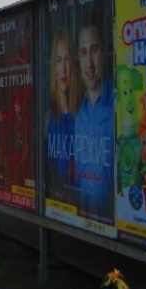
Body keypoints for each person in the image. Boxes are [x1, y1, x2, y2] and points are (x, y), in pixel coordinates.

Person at [74, 10, 114, 224]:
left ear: (104, 50)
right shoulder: (78, 115)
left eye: (94, 50)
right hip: (83, 217)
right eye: (83, 52)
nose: (89, 63)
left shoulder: (119, 106)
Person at [46, 26, 80, 202]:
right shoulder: (47, 117)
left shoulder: (83, 114)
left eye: (67, 59)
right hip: (56, 199)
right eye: (58, 60)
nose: (63, 69)